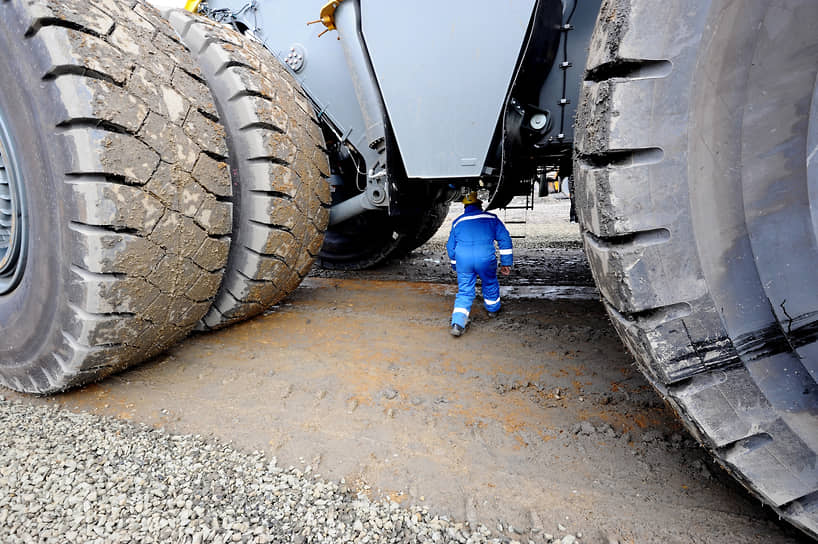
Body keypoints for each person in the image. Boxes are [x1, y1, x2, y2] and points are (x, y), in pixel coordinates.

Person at [446, 191, 513, 337]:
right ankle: (493, 310)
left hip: (464, 261)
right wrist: (506, 263)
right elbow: (505, 239)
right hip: (485, 260)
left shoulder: (457, 222)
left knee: (464, 291)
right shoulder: (491, 218)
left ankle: (458, 323)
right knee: (489, 282)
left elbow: (450, 247)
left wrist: (455, 264)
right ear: (480, 204)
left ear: (465, 206)